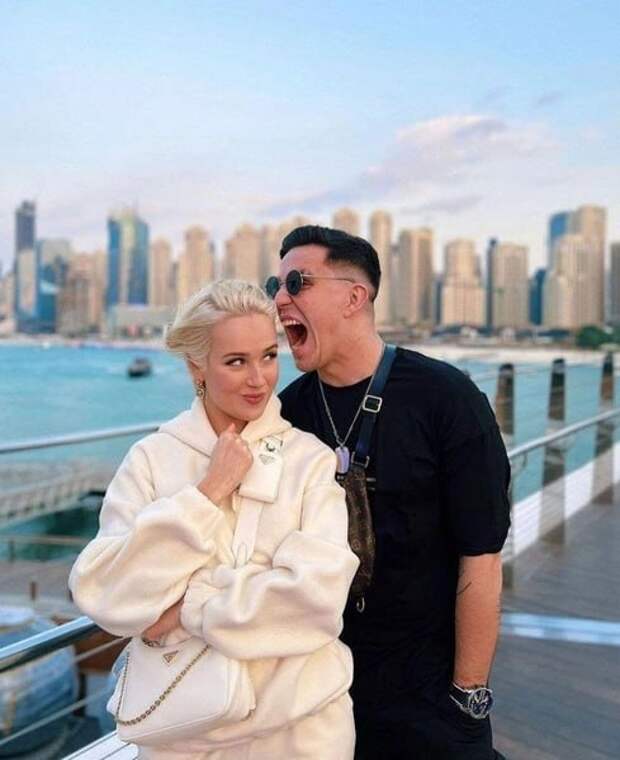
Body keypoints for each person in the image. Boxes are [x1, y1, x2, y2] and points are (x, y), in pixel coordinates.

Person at [69, 280, 359, 760]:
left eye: (269, 356)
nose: (259, 379)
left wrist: (189, 606)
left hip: (302, 732)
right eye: (236, 361)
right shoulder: (151, 459)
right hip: (181, 735)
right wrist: (207, 494)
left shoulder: (309, 460)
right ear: (195, 367)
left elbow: (318, 600)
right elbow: (107, 595)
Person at [270, 226, 511, 760]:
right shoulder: (285, 414)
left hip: (429, 693)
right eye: (276, 285)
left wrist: (468, 696)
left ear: (354, 297)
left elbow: (482, 556)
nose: (280, 298)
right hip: (317, 689)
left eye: (297, 282)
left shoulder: (447, 398)